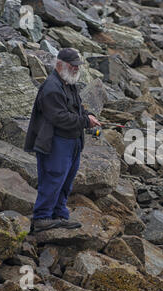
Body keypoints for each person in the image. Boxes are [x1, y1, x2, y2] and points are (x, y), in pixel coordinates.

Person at [24, 48, 101, 233]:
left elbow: (77, 107)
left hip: (72, 142)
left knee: (66, 180)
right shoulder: (51, 87)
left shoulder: (68, 83)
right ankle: (42, 217)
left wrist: (87, 115)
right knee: (53, 178)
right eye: (72, 66)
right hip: (55, 143)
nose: (76, 69)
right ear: (60, 64)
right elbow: (59, 117)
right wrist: (85, 121)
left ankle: (59, 214)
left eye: (77, 66)